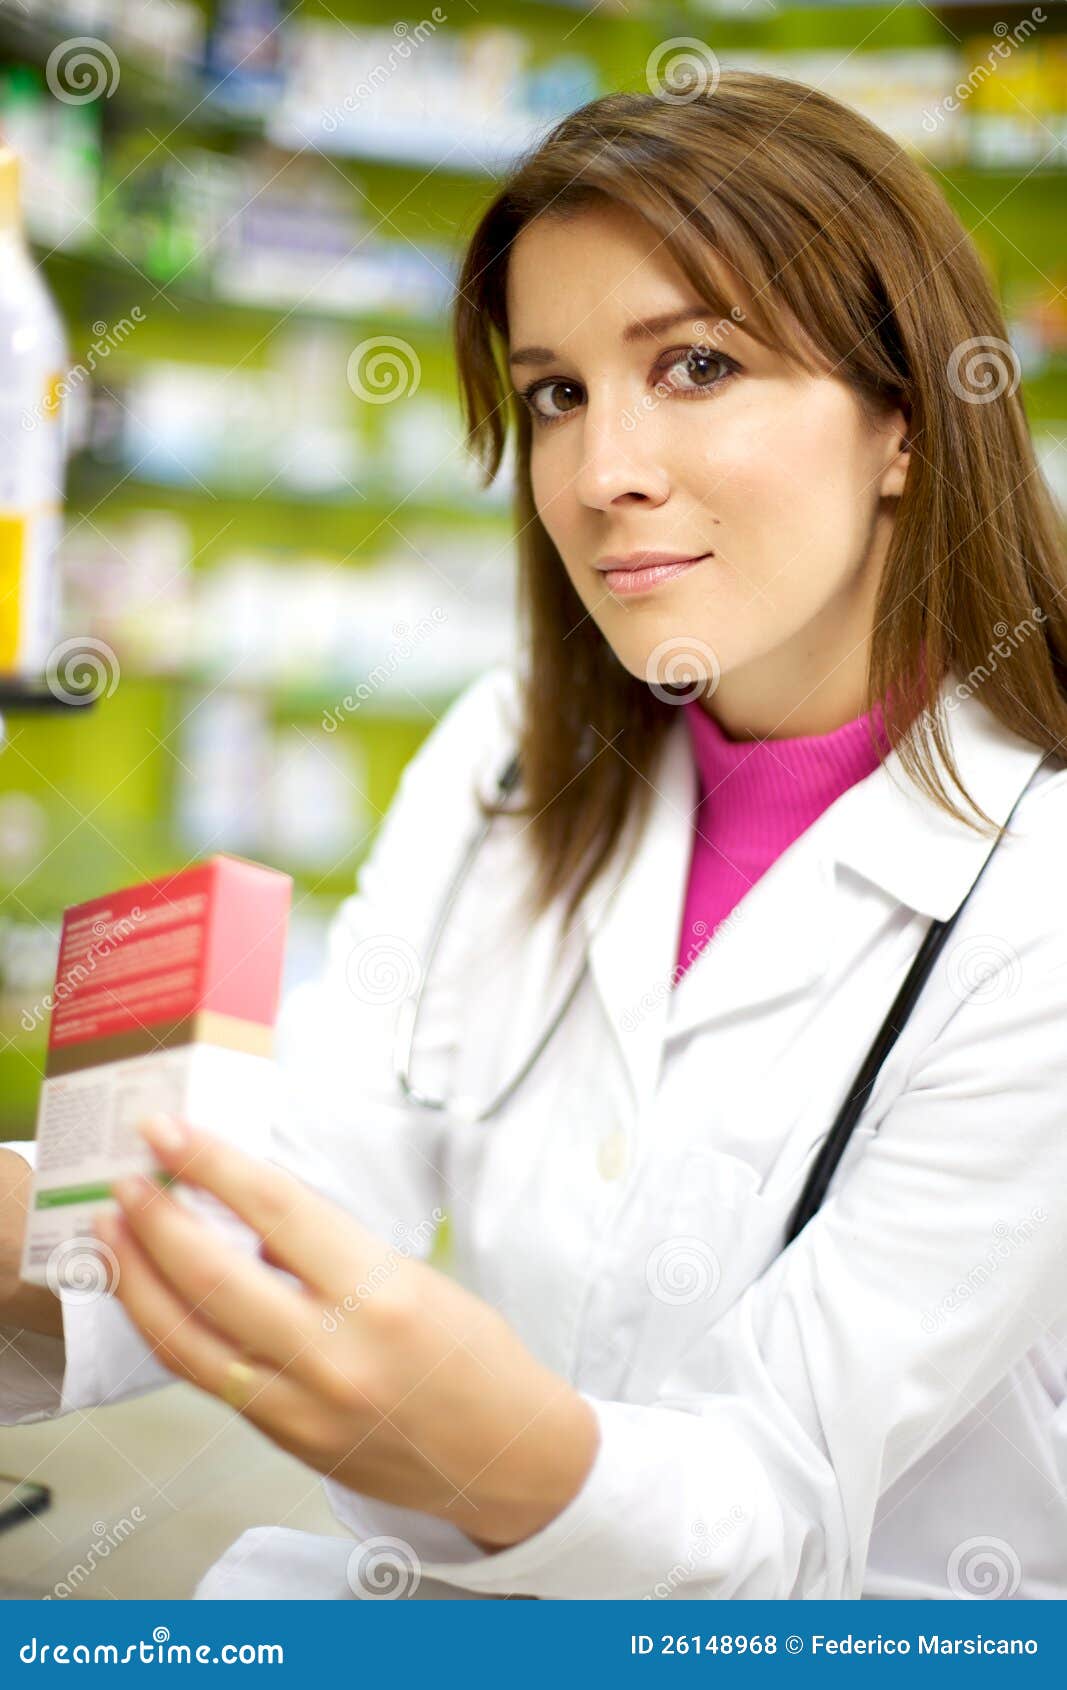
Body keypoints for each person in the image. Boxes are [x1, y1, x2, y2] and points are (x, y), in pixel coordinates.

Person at [2, 69, 1067, 1602]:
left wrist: (501, 1450)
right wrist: (37, 1234)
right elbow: (320, 1152)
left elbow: (780, 1494)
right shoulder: (512, 752)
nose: (600, 471)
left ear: (907, 420)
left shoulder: (1041, 894)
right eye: (557, 390)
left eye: (697, 365)